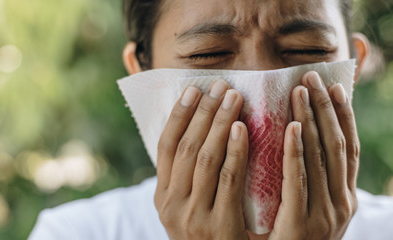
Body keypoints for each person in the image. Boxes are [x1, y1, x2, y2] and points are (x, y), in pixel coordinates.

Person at [29, 0, 393, 239]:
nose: (264, 109)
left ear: (355, 67)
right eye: (209, 54)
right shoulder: (76, 233)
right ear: (142, 75)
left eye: (306, 50)